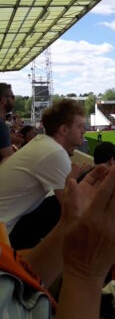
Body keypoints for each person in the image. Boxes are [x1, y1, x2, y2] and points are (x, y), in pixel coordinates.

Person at [0, 161, 115, 319]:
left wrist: (69, 225)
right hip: (76, 301)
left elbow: (18, 280)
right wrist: (85, 272)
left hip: (42, 299)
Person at [0, 99, 85, 249]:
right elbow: (73, 211)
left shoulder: (42, 143)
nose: (83, 131)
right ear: (63, 130)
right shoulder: (55, 152)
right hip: (4, 236)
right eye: (79, 126)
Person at [0, 82, 15, 163]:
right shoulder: (1, 126)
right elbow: (10, 160)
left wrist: (9, 139)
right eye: (12, 97)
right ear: (3, 99)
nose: (13, 101)